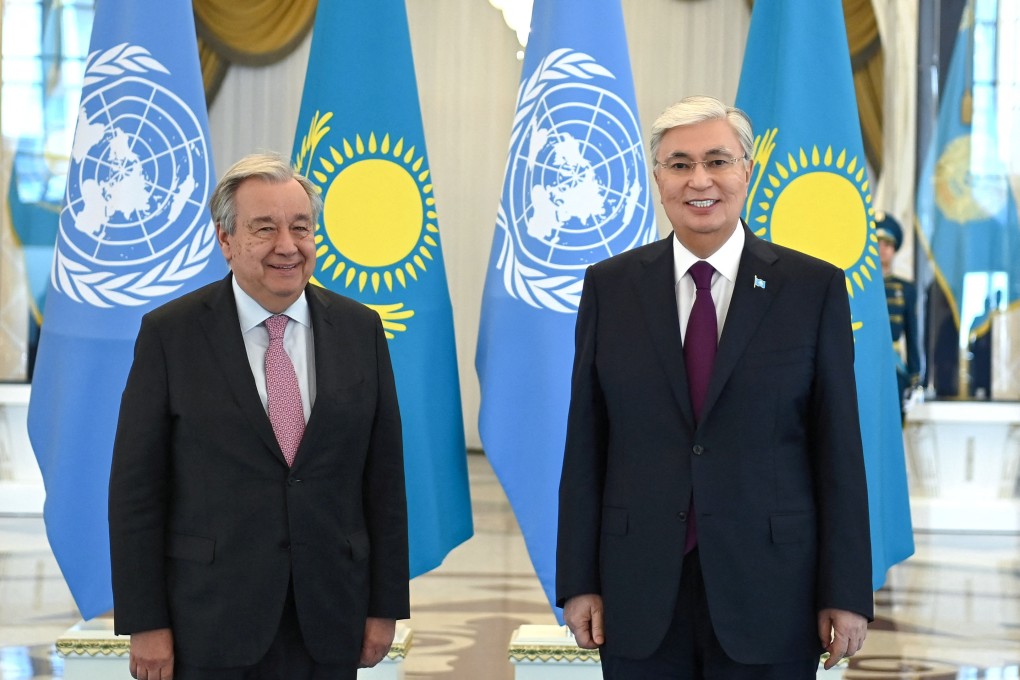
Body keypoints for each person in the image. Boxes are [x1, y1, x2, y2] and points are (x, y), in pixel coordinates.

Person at [556, 96, 873, 679]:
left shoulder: (812, 289)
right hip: (639, 591)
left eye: (717, 161)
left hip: (774, 592)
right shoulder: (610, 287)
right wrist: (578, 583)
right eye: (679, 164)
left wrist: (847, 590)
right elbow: (586, 445)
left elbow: (838, 452)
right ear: (657, 178)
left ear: (746, 171)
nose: (699, 180)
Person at [108, 152, 409, 680]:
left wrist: (384, 606)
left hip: (330, 616)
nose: (287, 246)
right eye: (264, 228)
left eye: (300, 227)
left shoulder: (361, 330)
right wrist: (146, 623)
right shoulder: (170, 336)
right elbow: (136, 492)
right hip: (209, 620)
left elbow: (383, 483)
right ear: (226, 241)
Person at [876, 213, 920, 413]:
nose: (882, 249)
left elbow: (912, 334)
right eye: (878, 242)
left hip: (894, 369)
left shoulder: (906, 289)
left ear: (894, 249)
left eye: (888, 244)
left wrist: (914, 376)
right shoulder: (861, 288)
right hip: (866, 363)